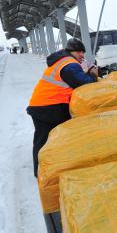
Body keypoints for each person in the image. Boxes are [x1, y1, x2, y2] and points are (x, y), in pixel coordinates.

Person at [27, 38, 98, 177]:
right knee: (45, 140)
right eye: (79, 52)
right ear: (71, 51)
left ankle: (45, 170)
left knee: (44, 138)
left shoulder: (63, 61)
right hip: (48, 107)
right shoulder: (69, 64)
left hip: (44, 105)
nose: (82, 55)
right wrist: (93, 75)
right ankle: (42, 173)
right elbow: (83, 83)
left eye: (83, 52)